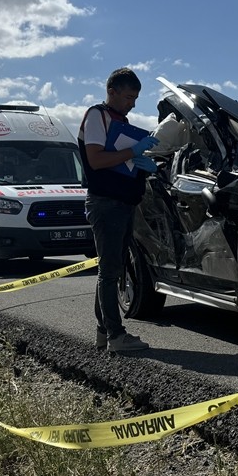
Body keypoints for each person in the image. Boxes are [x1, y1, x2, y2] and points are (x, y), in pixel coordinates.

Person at [78, 67, 159, 353]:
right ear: (111, 92)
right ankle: (116, 335)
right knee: (110, 272)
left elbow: (117, 163)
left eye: (135, 99)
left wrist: (142, 165)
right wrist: (133, 152)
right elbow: (96, 160)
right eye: (128, 97)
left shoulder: (119, 121)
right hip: (106, 204)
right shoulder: (97, 116)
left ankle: (105, 332)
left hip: (122, 204)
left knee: (112, 270)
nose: (132, 104)